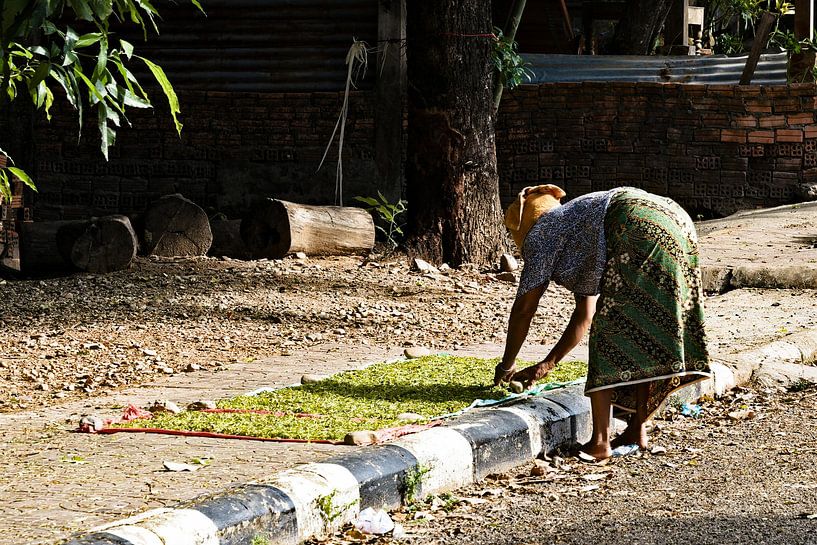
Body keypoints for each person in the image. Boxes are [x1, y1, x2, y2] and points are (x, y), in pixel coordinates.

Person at [494, 184, 711, 460]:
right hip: (675, 219)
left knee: (608, 333)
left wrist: (507, 364)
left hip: (637, 222)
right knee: (641, 331)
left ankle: (599, 442)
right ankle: (637, 430)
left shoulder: (543, 233)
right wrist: (545, 366)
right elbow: (583, 315)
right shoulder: (575, 227)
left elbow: (525, 309)